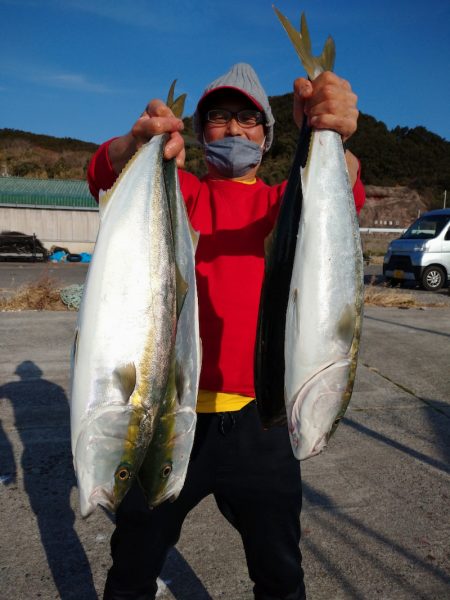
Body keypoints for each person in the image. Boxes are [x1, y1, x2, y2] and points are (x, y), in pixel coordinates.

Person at [87, 63, 365, 600]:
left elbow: (339, 196)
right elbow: (102, 177)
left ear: (268, 135)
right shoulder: (177, 193)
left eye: (248, 119)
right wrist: (133, 146)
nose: (234, 130)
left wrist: (336, 135)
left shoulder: (283, 204)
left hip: (261, 424)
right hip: (165, 415)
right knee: (131, 569)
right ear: (198, 132)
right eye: (218, 119)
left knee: (281, 575)